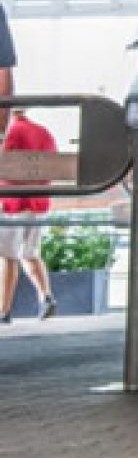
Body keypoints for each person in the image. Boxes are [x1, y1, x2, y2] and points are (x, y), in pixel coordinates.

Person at [0, 106, 58, 322]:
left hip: (12, 203)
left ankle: (3, 311)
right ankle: (46, 296)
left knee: (9, 257)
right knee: (30, 253)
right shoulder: (44, 132)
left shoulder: (8, 133)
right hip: (39, 203)